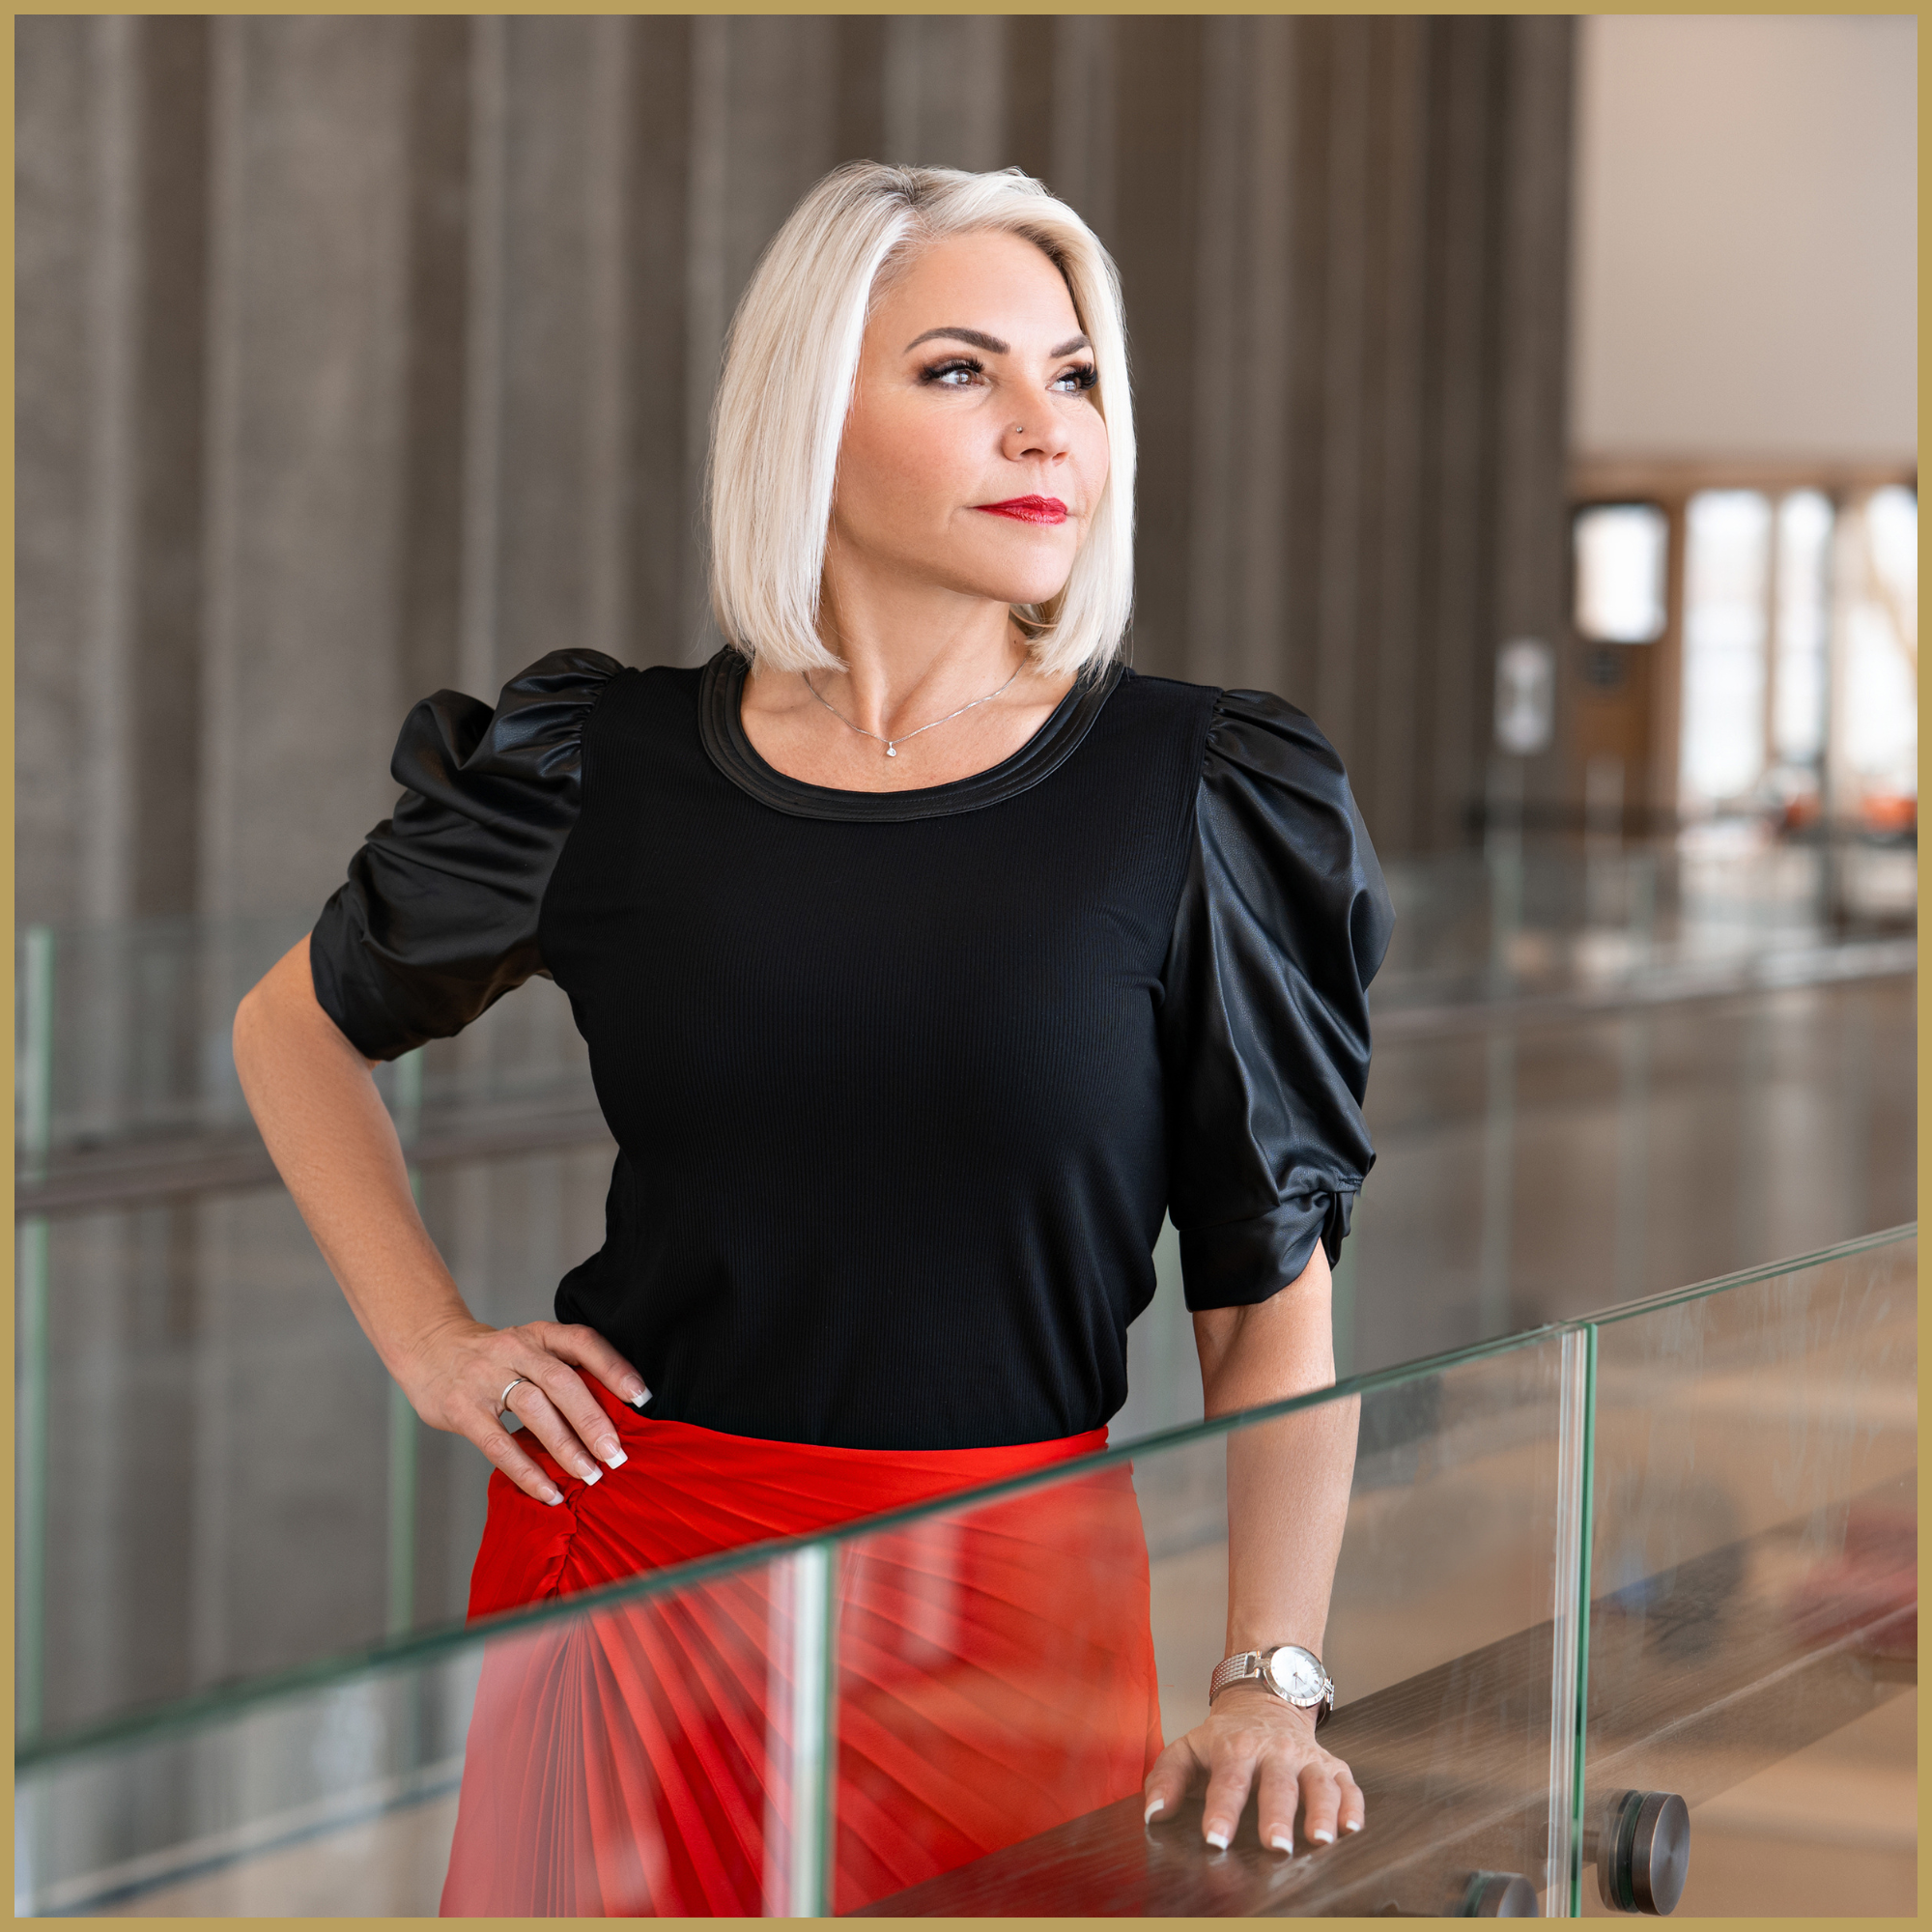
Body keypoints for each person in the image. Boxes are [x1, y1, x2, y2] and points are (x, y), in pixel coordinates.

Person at [234, 160, 1392, 1916]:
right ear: (809, 413)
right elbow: (291, 1029)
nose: (1042, 428)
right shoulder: (598, 763)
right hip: (626, 1571)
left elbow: (1266, 1296)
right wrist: (435, 1345)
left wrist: (1269, 1675)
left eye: (1074, 376)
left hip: (1009, 1609)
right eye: (959, 372)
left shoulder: (1204, 791)